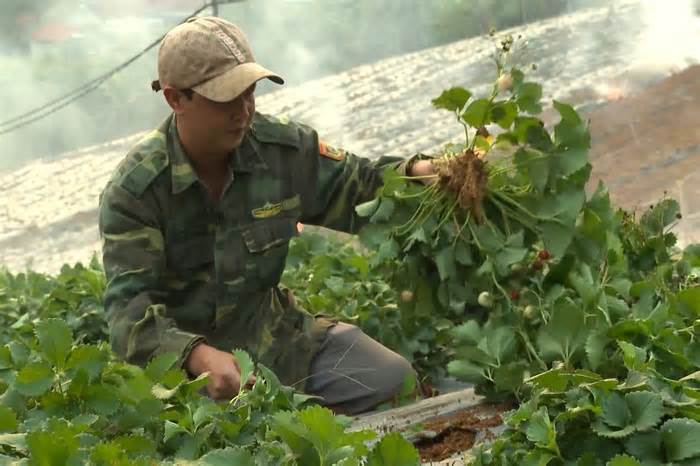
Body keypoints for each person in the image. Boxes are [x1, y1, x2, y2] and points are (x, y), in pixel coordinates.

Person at [98, 16, 435, 415]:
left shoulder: (280, 151)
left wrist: (420, 174)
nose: (243, 111)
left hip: (281, 345)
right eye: (225, 98)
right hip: (185, 383)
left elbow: (360, 187)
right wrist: (198, 356)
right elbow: (128, 315)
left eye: (250, 92)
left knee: (394, 379)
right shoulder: (136, 191)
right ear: (175, 99)